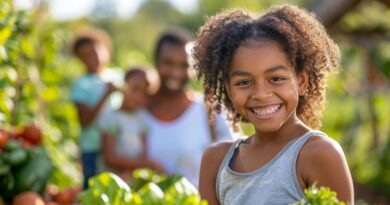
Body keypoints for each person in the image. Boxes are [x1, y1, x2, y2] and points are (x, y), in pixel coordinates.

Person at [193, 5, 354, 205]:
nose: (260, 94)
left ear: (302, 81)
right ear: (228, 89)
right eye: (244, 82)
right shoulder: (215, 161)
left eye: (276, 78)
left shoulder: (319, 154)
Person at [140, 27, 237, 187]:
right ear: (156, 62)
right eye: (168, 63)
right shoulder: (136, 112)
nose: (175, 72)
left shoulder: (211, 111)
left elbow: (235, 167)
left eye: (183, 65)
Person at [70, 29, 120, 189]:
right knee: (93, 189)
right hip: (93, 148)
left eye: (94, 52)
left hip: (117, 147)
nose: (91, 58)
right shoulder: (80, 84)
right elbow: (84, 121)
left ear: (105, 49)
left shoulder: (117, 76)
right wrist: (106, 94)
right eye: (85, 56)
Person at [98, 67, 164, 180]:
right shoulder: (110, 118)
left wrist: (137, 169)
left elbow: (143, 153)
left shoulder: (143, 120)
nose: (138, 97)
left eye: (145, 94)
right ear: (123, 85)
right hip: (111, 180)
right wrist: (147, 164)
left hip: (132, 179)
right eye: (135, 89)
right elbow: (109, 158)